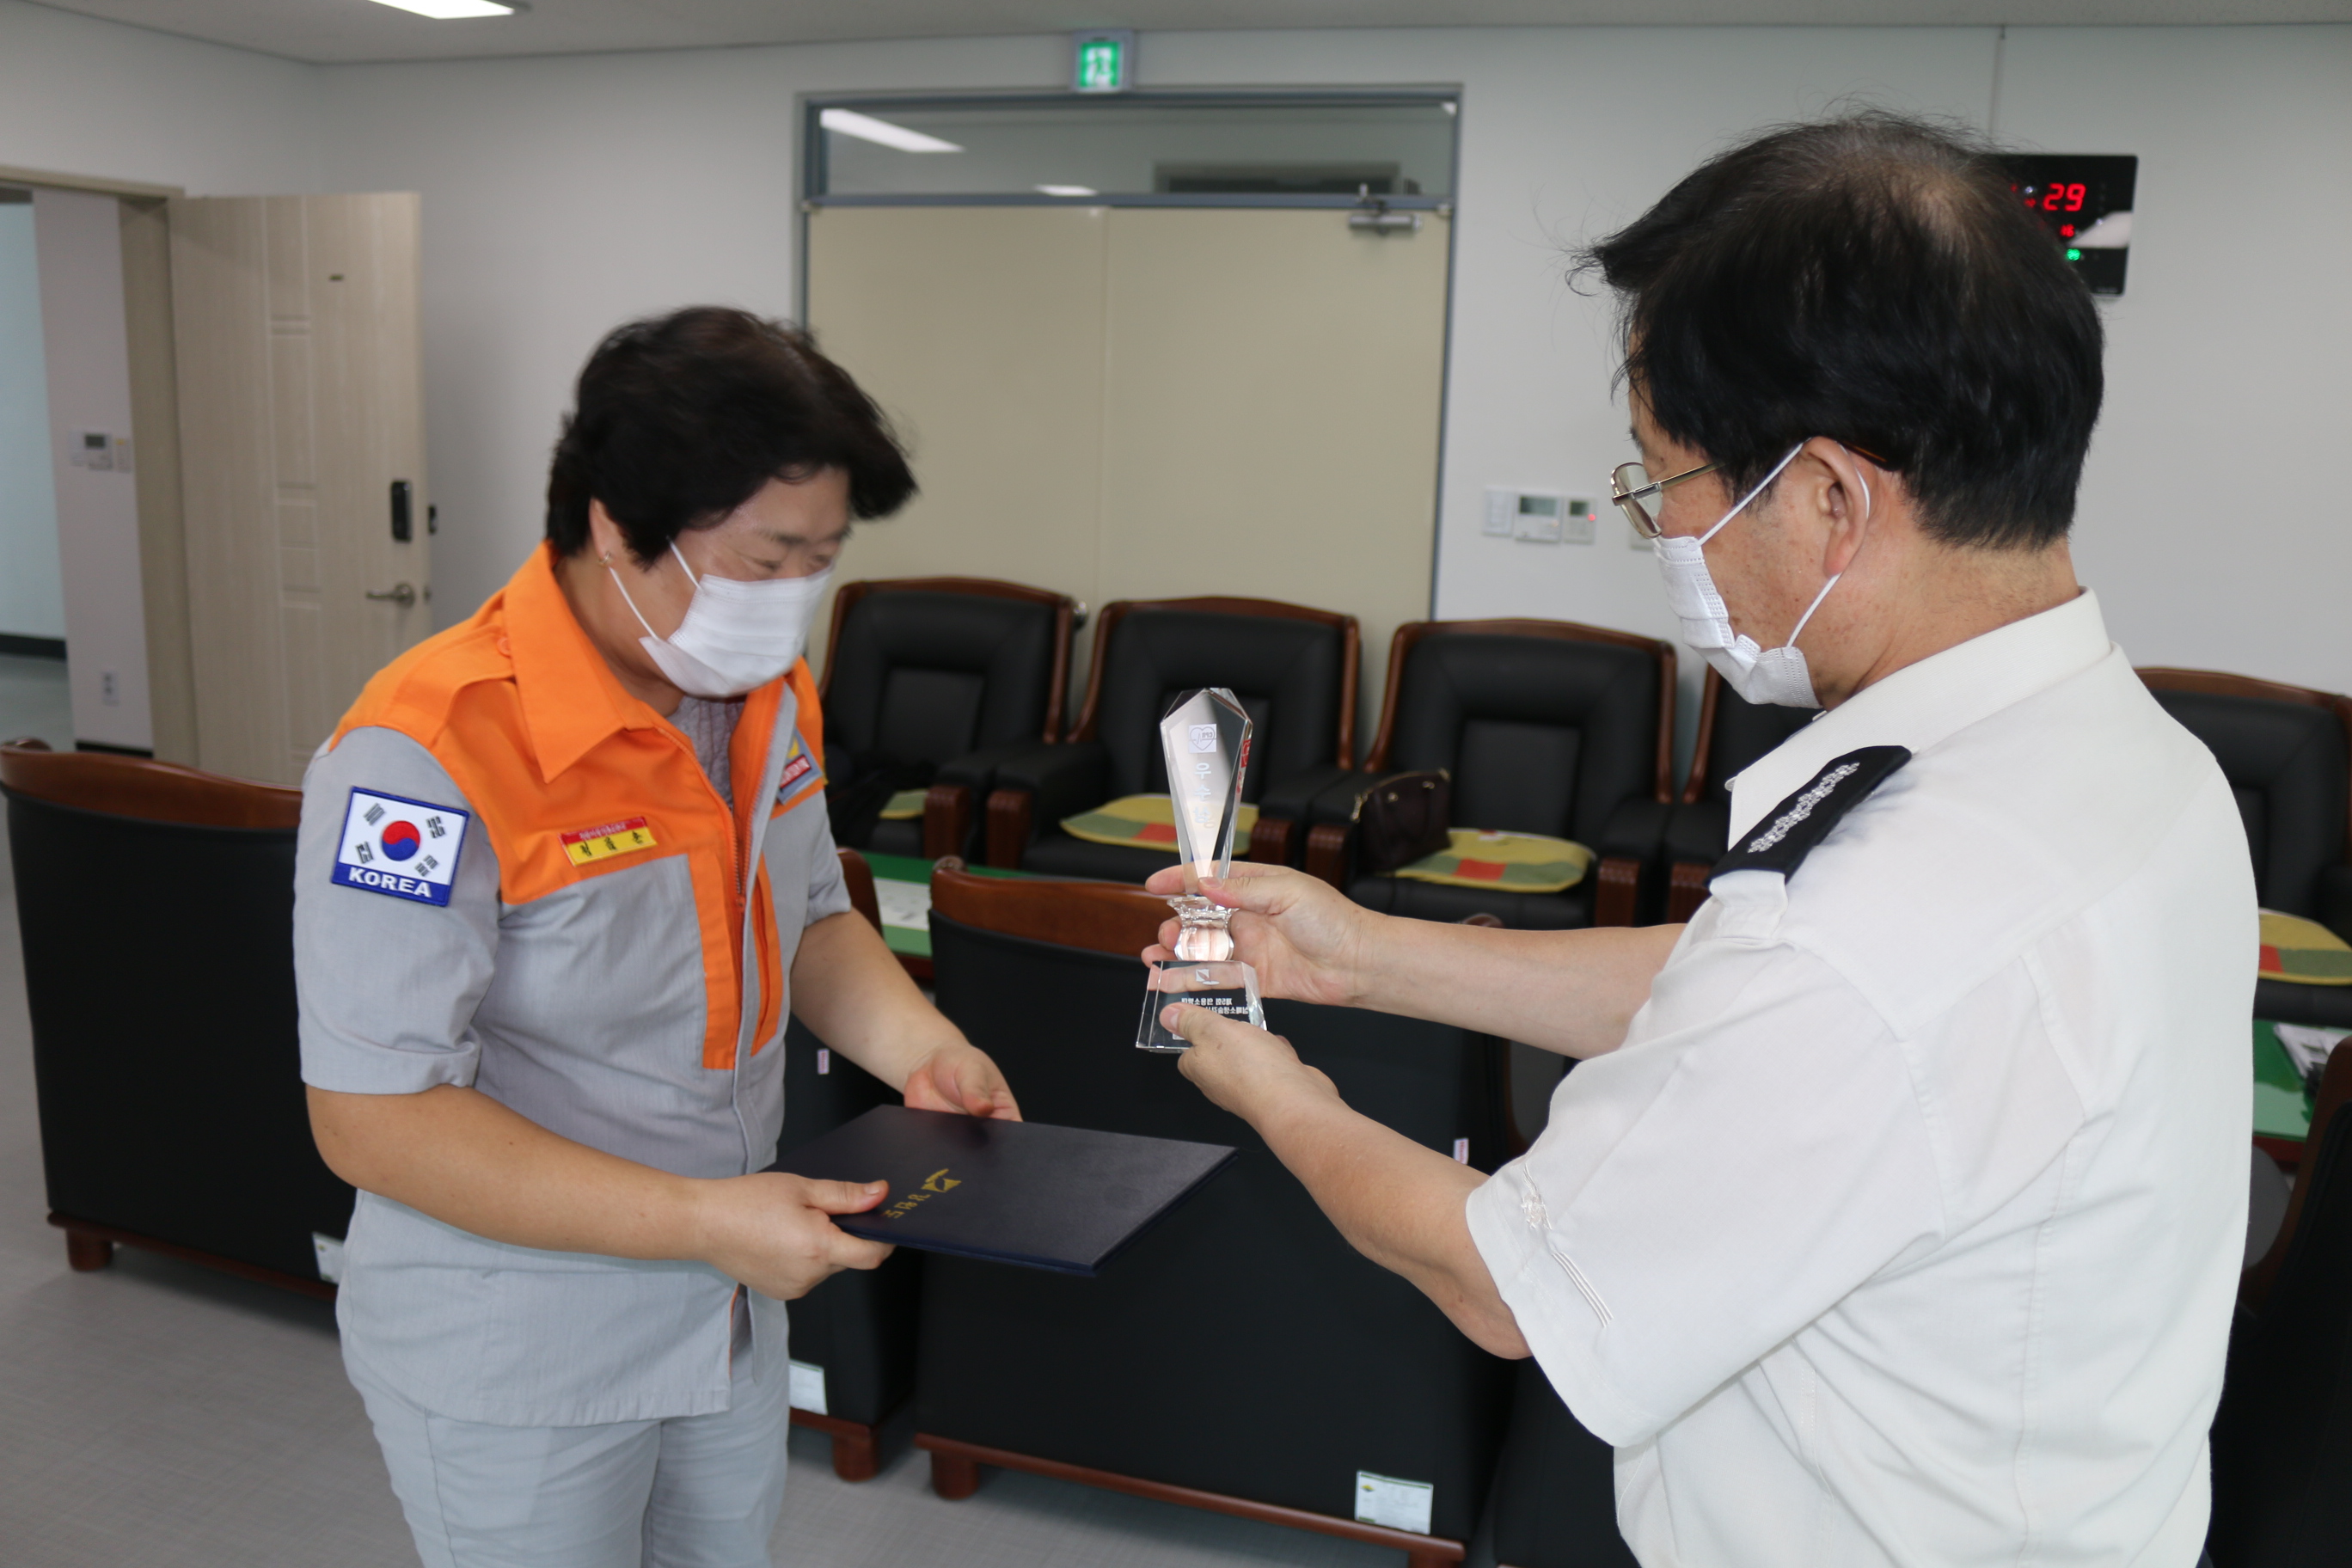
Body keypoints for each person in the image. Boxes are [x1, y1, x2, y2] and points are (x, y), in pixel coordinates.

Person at [1148, 113, 2251, 1567]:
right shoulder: (2134, 762)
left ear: (1831, 499)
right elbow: (1737, 993)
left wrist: (1274, 1087)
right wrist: (1365, 958)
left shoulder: (1880, 930)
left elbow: (1507, 1281)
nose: (1658, 532)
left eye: (1663, 482)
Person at [297, 307, 1020, 1568]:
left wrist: (921, 1046)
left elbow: (809, 916)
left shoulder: (762, 693)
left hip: (725, 1305)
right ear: (618, 526)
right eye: (763, 560)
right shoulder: (425, 754)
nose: (790, 601)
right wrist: (703, 1221)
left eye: (818, 562)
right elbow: (375, 1117)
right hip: (521, 1344)